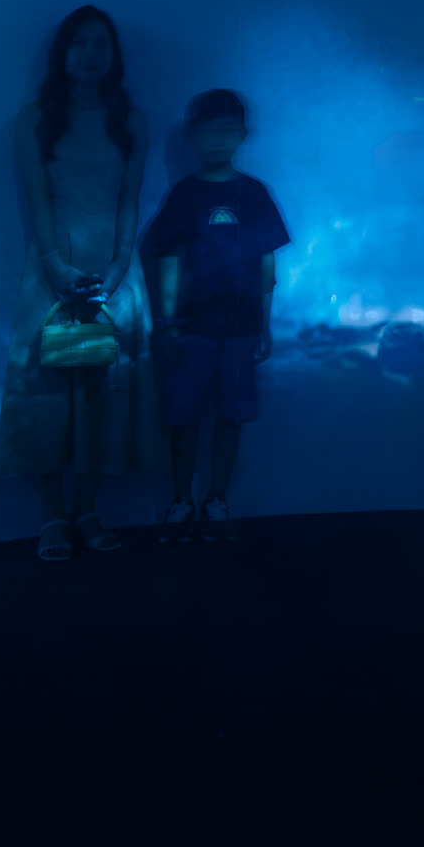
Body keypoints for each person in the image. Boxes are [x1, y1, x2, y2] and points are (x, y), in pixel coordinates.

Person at [0, 6, 151, 561]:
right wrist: (56, 268)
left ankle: (87, 510)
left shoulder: (131, 120)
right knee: (47, 397)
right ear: (63, 51)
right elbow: (37, 199)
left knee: (103, 396)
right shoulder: (35, 118)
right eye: (80, 43)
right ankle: (51, 516)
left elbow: (130, 199)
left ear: (114, 55)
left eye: (101, 44)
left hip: (115, 272)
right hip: (52, 271)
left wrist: (118, 266)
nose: (90, 54)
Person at [141, 88, 291, 537]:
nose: (218, 140)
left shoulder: (255, 193)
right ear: (193, 135)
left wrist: (264, 323)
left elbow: (267, 261)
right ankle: (182, 499)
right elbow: (167, 259)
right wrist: (167, 322)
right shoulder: (184, 194)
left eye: (227, 130)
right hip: (191, 328)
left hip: (242, 327)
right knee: (183, 419)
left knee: (232, 417)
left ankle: (217, 499)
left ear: (243, 135)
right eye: (209, 130)